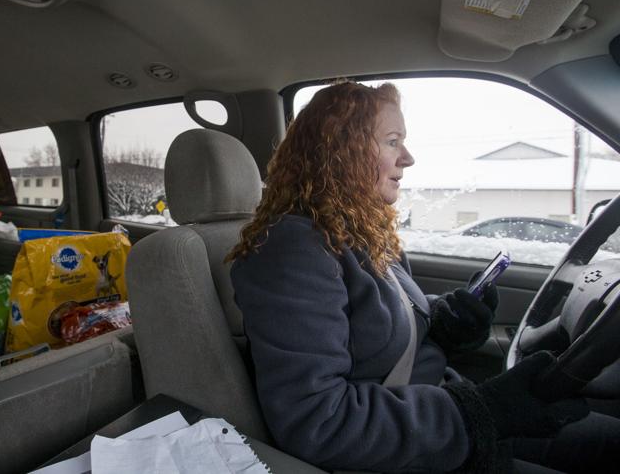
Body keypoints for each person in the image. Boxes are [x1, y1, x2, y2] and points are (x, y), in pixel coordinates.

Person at [226, 82, 612, 472]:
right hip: (412, 449)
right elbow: (318, 422)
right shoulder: (291, 249)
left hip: (441, 420)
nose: (407, 158)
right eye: (392, 141)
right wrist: (484, 411)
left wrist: (448, 320)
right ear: (339, 150)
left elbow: (383, 328)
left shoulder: (359, 233)